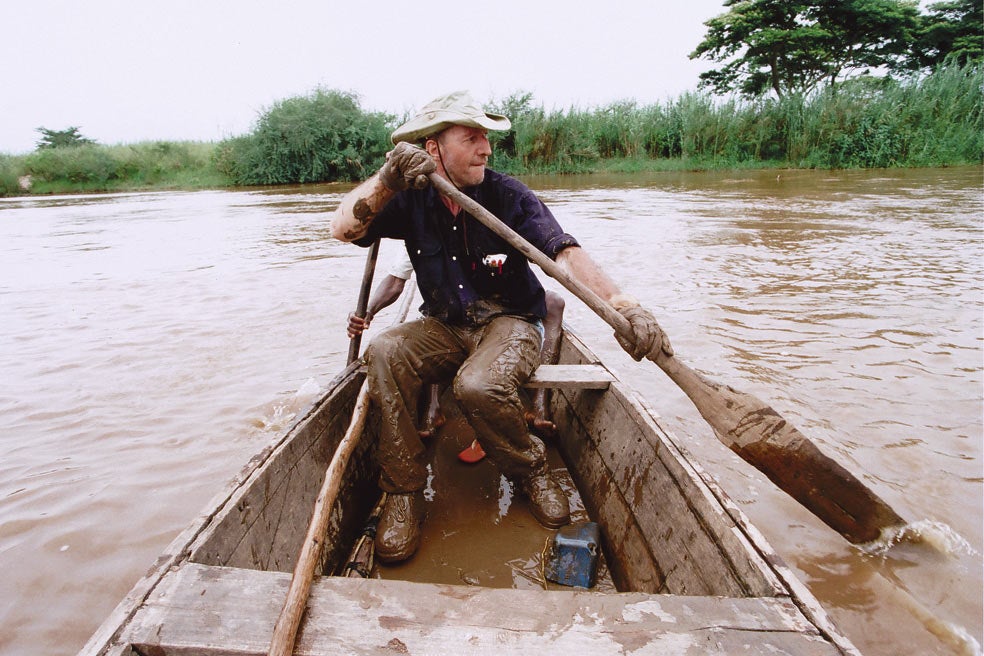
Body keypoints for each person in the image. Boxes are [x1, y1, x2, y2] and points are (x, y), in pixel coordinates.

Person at [330, 91, 671, 564]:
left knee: (478, 384)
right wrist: (385, 181)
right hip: (445, 325)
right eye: (471, 138)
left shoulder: (507, 195)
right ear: (434, 150)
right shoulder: (409, 198)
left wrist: (622, 303)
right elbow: (343, 229)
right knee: (384, 351)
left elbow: (564, 253)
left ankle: (530, 470)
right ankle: (403, 491)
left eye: (486, 139)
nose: (486, 149)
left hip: (511, 322)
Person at [346, 250, 567, 460]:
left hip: (500, 314)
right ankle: (432, 409)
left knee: (547, 306)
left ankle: (539, 404)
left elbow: (544, 253)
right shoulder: (420, 228)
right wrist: (368, 312)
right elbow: (395, 281)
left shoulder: (493, 224)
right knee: (436, 322)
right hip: (452, 315)